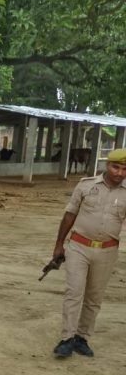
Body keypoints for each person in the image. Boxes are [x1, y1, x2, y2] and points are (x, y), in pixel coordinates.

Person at [50, 148, 126, 359]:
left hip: (107, 250)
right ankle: (67, 338)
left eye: (124, 169)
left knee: (94, 297)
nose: (119, 173)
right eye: (115, 167)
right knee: (74, 292)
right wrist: (59, 245)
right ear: (107, 165)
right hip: (79, 247)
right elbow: (69, 214)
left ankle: (82, 338)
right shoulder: (86, 185)